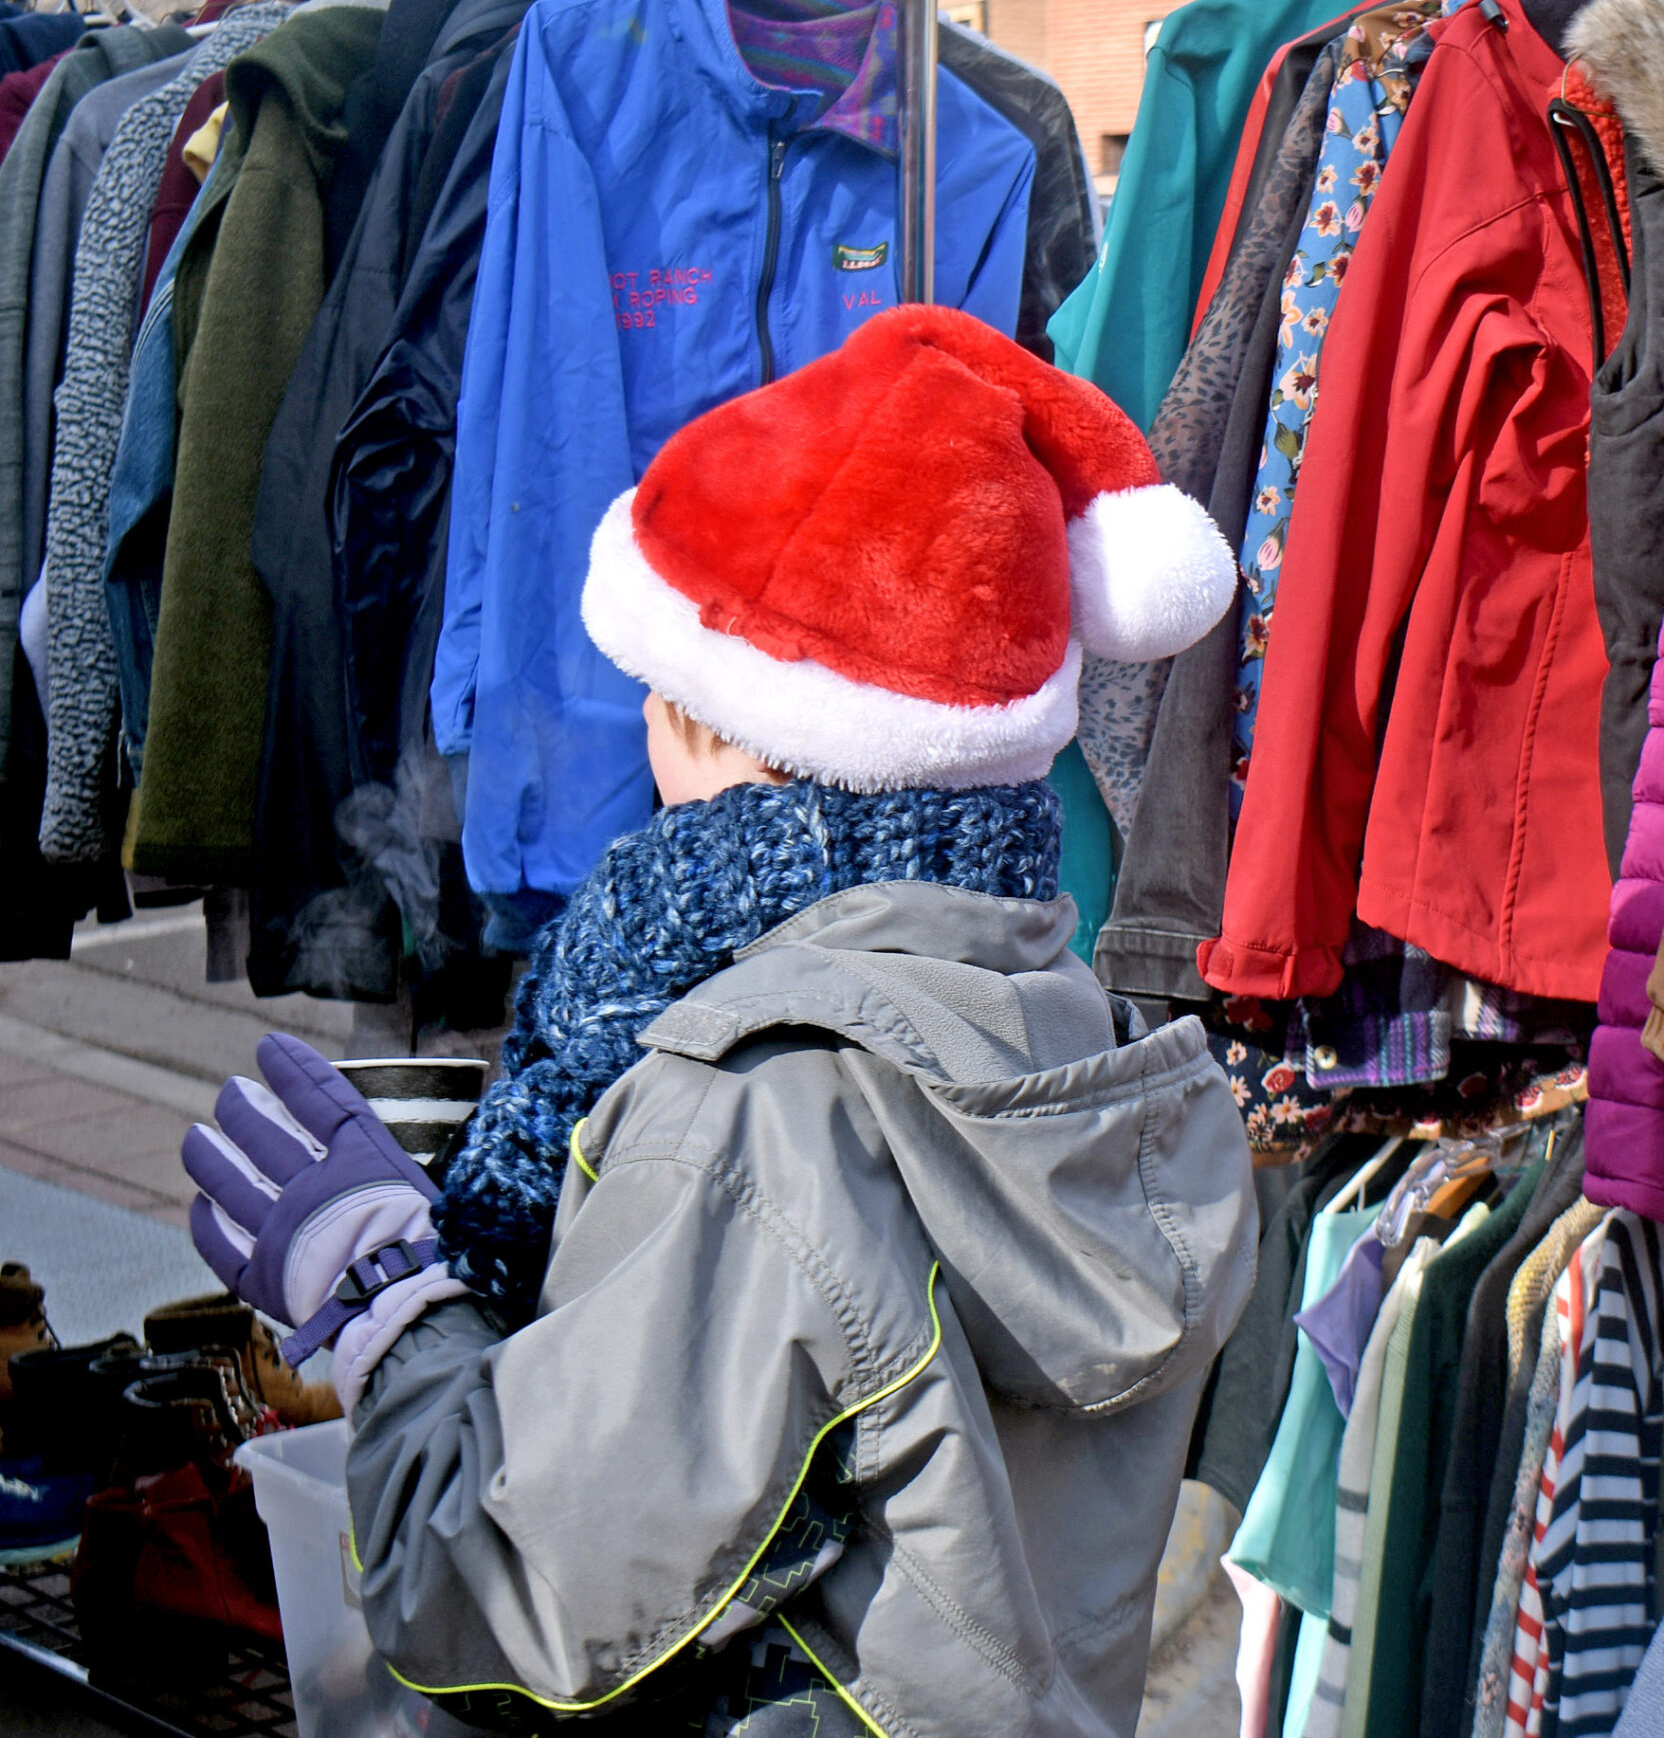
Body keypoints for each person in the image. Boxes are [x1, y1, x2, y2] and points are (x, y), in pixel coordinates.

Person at [177, 306, 1258, 1736]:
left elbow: (508, 1601)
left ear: (725, 722)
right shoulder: (1087, 1039)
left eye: (659, 691)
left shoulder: (754, 1110)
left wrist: (396, 1308)